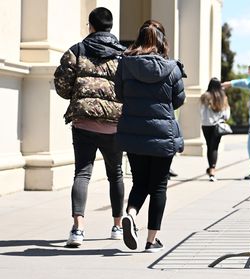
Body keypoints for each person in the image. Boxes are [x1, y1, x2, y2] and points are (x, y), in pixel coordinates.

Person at [54, 7, 126, 248]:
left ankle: (78, 229)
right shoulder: (123, 55)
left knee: (82, 173)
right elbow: (129, 89)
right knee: (115, 174)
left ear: (91, 26)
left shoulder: (77, 50)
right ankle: (117, 225)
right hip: (115, 124)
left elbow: (62, 86)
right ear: (111, 27)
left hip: (83, 121)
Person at [115, 20, 186, 253]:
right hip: (162, 133)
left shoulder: (125, 65)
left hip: (134, 131)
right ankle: (151, 240)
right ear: (161, 41)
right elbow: (178, 100)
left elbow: (119, 93)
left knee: (139, 181)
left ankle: (131, 214)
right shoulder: (172, 68)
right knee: (158, 187)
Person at [200, 78, 231, 182]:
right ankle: (212, 170)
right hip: (218, 125)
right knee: (215, 148)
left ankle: (211, 169)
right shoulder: (223, 97)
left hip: (206, 125)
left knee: (209, 146)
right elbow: (226, 114)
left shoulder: (205, 96)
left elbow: (201, 111)